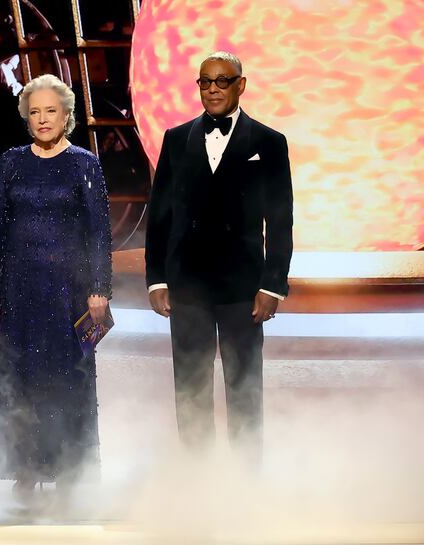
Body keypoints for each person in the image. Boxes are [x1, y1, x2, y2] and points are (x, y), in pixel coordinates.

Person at [145, 52, 293, 460]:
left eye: (222, 81)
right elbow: (159, 215)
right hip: (187, 284)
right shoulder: (176, 139)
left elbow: (281, 222)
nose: (212, 89)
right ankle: (199, 480)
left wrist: (272, 285)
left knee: (244, 385)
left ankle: (247, 483)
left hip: (243, 286)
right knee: (189, 386)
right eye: (205, 81)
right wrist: (157, 278)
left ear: (240, 85)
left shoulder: (268, 142)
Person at [0, 74, 113, 493]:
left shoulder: (84, 163)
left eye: (50, 110)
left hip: (70, 293)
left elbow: (98, 233)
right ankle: (26, 469)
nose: (42, 119)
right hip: (21, 291)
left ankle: (70, 469)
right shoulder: (12, 162)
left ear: (66, 115)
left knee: (68, 378)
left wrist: (100, 288)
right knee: (22, 378)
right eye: (34, 112)